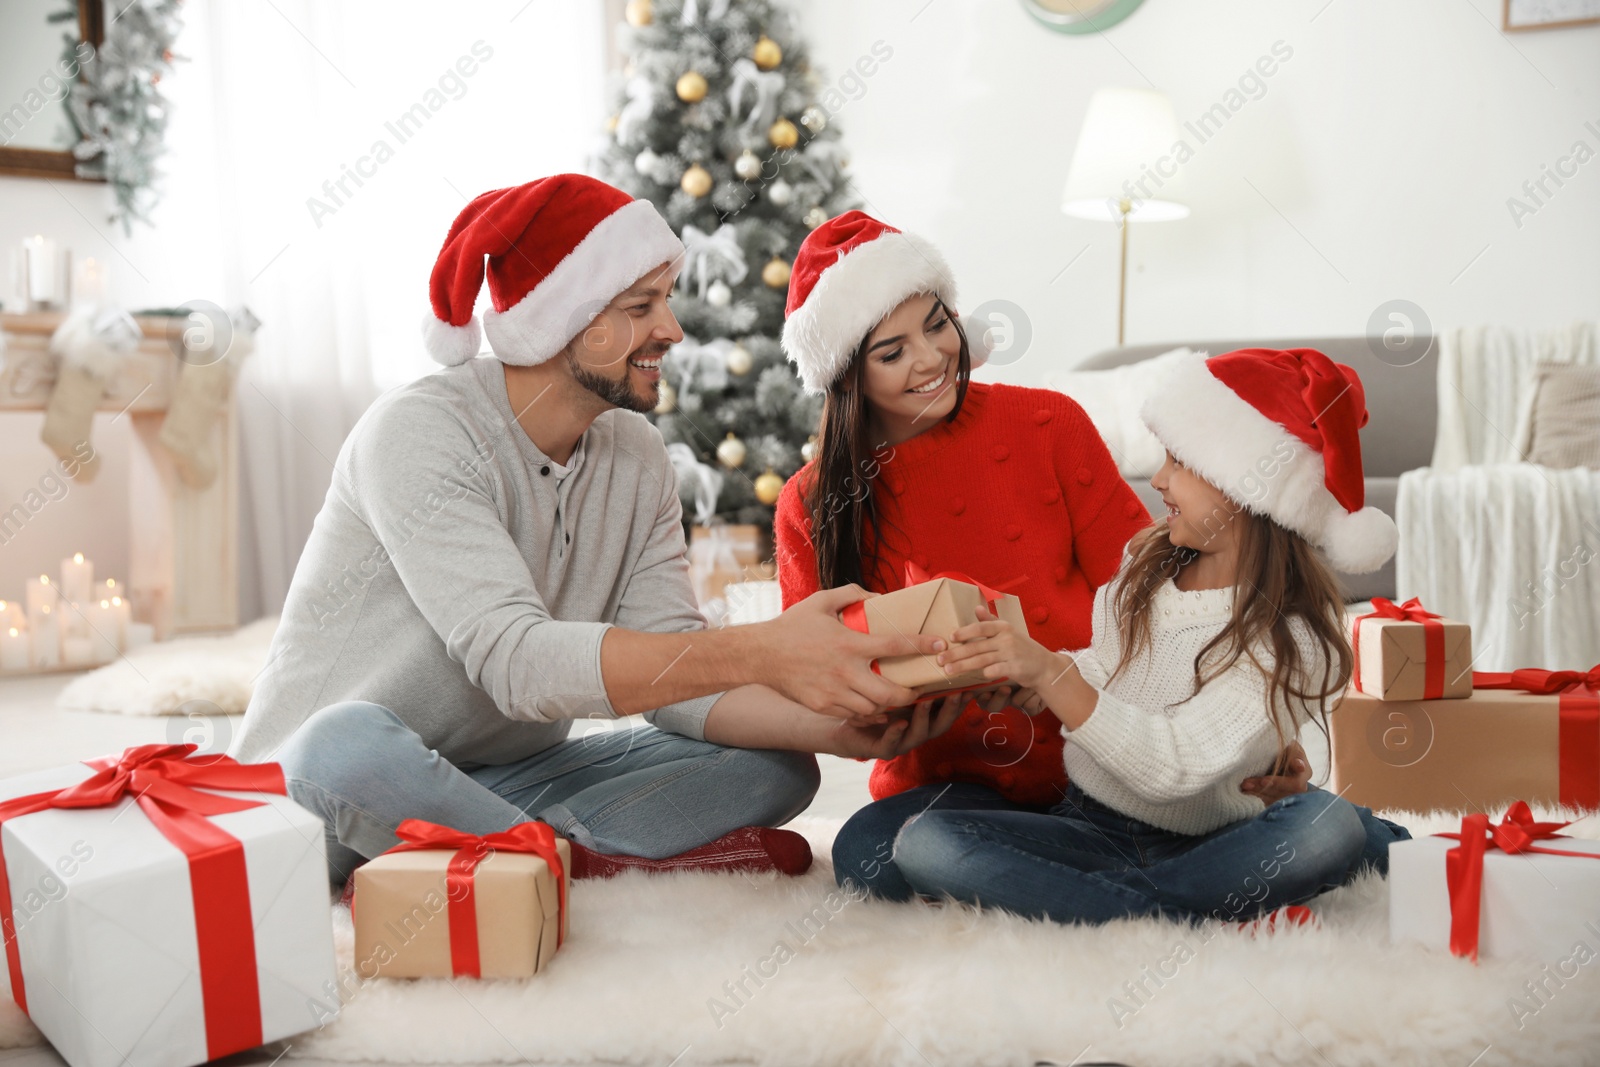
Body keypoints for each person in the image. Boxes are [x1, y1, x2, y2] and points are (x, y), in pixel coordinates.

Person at [229, 175, 960, 887]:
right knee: (340, 745)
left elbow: (677, 681)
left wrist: (836, 730)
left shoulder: (635, 452)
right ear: (562, 320)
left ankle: (525, 856)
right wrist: (766, 648)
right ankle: (577, 861)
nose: (671, 330)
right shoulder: (419, 432)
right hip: (317, 794)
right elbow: (519, 665)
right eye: (643, 306)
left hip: (499, 780)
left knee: (775, 763)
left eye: (666, 302)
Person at [772, 212, 1316, 901]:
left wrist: (1243, 737)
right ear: (846, 375)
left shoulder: (1047, 423)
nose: (933, 358)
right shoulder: (811, 503)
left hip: (1111, 761)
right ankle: (1171, 886)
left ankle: (1114, 886)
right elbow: (820, 684)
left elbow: (1164, 597)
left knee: (1321, 825)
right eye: (892, 351)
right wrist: (908, 697)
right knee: (869, 854)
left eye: (937, 325)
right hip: (952, 790)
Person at [893, 347, 1414, 924]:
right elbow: (1111, 676)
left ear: (1246, 489)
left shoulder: (1290, 638)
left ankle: (1108, 906)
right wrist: (1028, 674)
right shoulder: (1144, 571)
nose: (1158, 479)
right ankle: (1165, 906)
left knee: (1325, 829)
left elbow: (1178, 767)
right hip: (1090, 825)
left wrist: (1051, 675)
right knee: (918, 840)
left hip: (1211, 838)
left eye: (1178, 462)